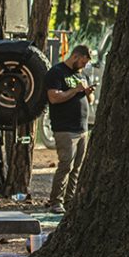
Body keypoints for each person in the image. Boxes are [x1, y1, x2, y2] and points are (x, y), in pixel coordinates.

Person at [45, 44, 94, 214]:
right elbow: (54, 98)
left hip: (82, 128)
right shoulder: (57, 72)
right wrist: (75, 90)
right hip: (65, 128)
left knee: (77, 168)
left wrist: (88, 91)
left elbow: (91, 100)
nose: (83, 66)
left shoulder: (80, 74)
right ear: (74, 56)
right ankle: (55, 201)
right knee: (66, 164)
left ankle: (69, 200)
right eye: (82, 62)